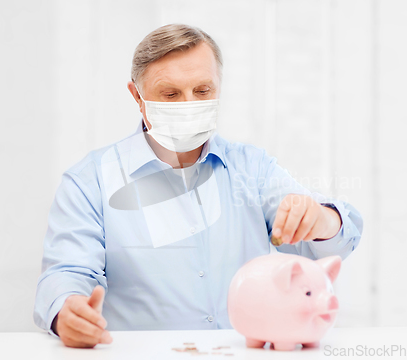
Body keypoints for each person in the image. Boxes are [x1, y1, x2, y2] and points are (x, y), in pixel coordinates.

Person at [33, 24, 363, 348]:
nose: (188, 104)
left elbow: (329, 247)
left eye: (203, 91)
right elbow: (67, 272)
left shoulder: (252, 167)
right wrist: (66, 311)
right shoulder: (90, 181)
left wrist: (321, 220)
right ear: (137, 95)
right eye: (170, 93)